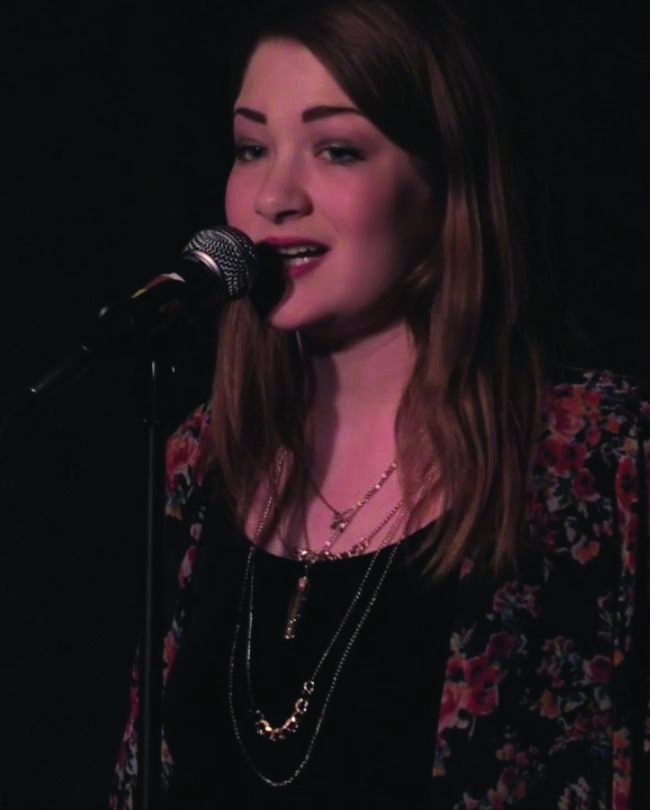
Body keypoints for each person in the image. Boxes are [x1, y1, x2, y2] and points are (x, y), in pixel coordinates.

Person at [110, 0, 650, 807]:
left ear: (443, 181)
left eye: (336, 149)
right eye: (252, 148)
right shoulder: (203, 458)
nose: (274, 196)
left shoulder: (598, 454)